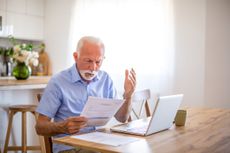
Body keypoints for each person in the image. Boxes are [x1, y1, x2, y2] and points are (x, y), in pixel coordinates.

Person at [35, 36, 136, 153]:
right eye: (88, 61)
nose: (93, 68)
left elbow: (122, 118)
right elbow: (40, 127)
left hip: (101, 144)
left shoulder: (105, 79)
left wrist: (128, 95)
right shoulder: (58, 82)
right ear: (75, 57)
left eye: (98, 62)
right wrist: (62, 127)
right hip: (70, 148)